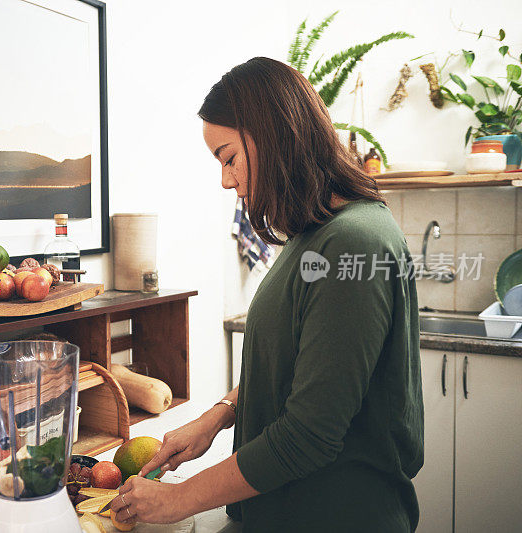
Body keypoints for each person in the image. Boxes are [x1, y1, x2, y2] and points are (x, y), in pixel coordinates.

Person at [107, 57, 423, 532]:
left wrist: (177, 500)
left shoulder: (352, 241)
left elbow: (309, 436)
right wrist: (220, 416)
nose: (225, 179)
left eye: (228, 157)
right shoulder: (313, 236)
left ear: (275, 134)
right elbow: (300, 367)